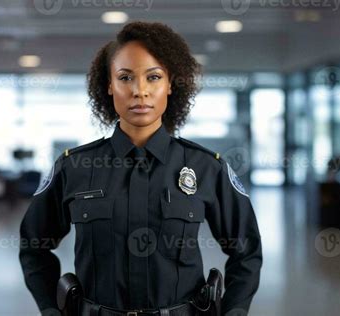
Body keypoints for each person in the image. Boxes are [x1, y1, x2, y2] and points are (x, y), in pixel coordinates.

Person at [19, 21, 262, 316]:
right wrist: (50, 308)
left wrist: (234, 311)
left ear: (171, 84)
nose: (140, 91)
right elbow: (34, 245)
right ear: (109, 85)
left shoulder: (205, 168)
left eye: (153, 77)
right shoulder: (73, 168)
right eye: (125, 78)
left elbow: (246, 251)